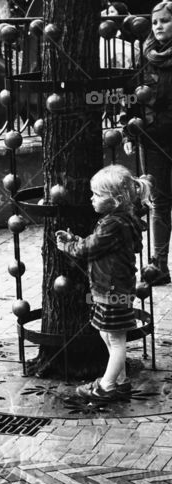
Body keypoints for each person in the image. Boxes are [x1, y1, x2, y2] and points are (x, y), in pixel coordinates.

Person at [57, 165, 149, 400]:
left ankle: (107, 386)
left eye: (97, 194)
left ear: (115, 200)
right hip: (109, 289)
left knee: (116, 339)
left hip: (112, 290)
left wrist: (68, 245)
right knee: (107, 334)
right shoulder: (121, 220)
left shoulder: (113, 224)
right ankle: (121, 381)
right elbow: (97, 243)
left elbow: (89, 248)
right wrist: (76, 238)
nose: (92, 198)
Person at [124, 1, 172, 285]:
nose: (158, 26)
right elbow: (131, 96)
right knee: (158, 202)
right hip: (153, 139)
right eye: (155, 22)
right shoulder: (144, 57)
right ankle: (159, 265)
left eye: (165, 20)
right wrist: (129, 131)